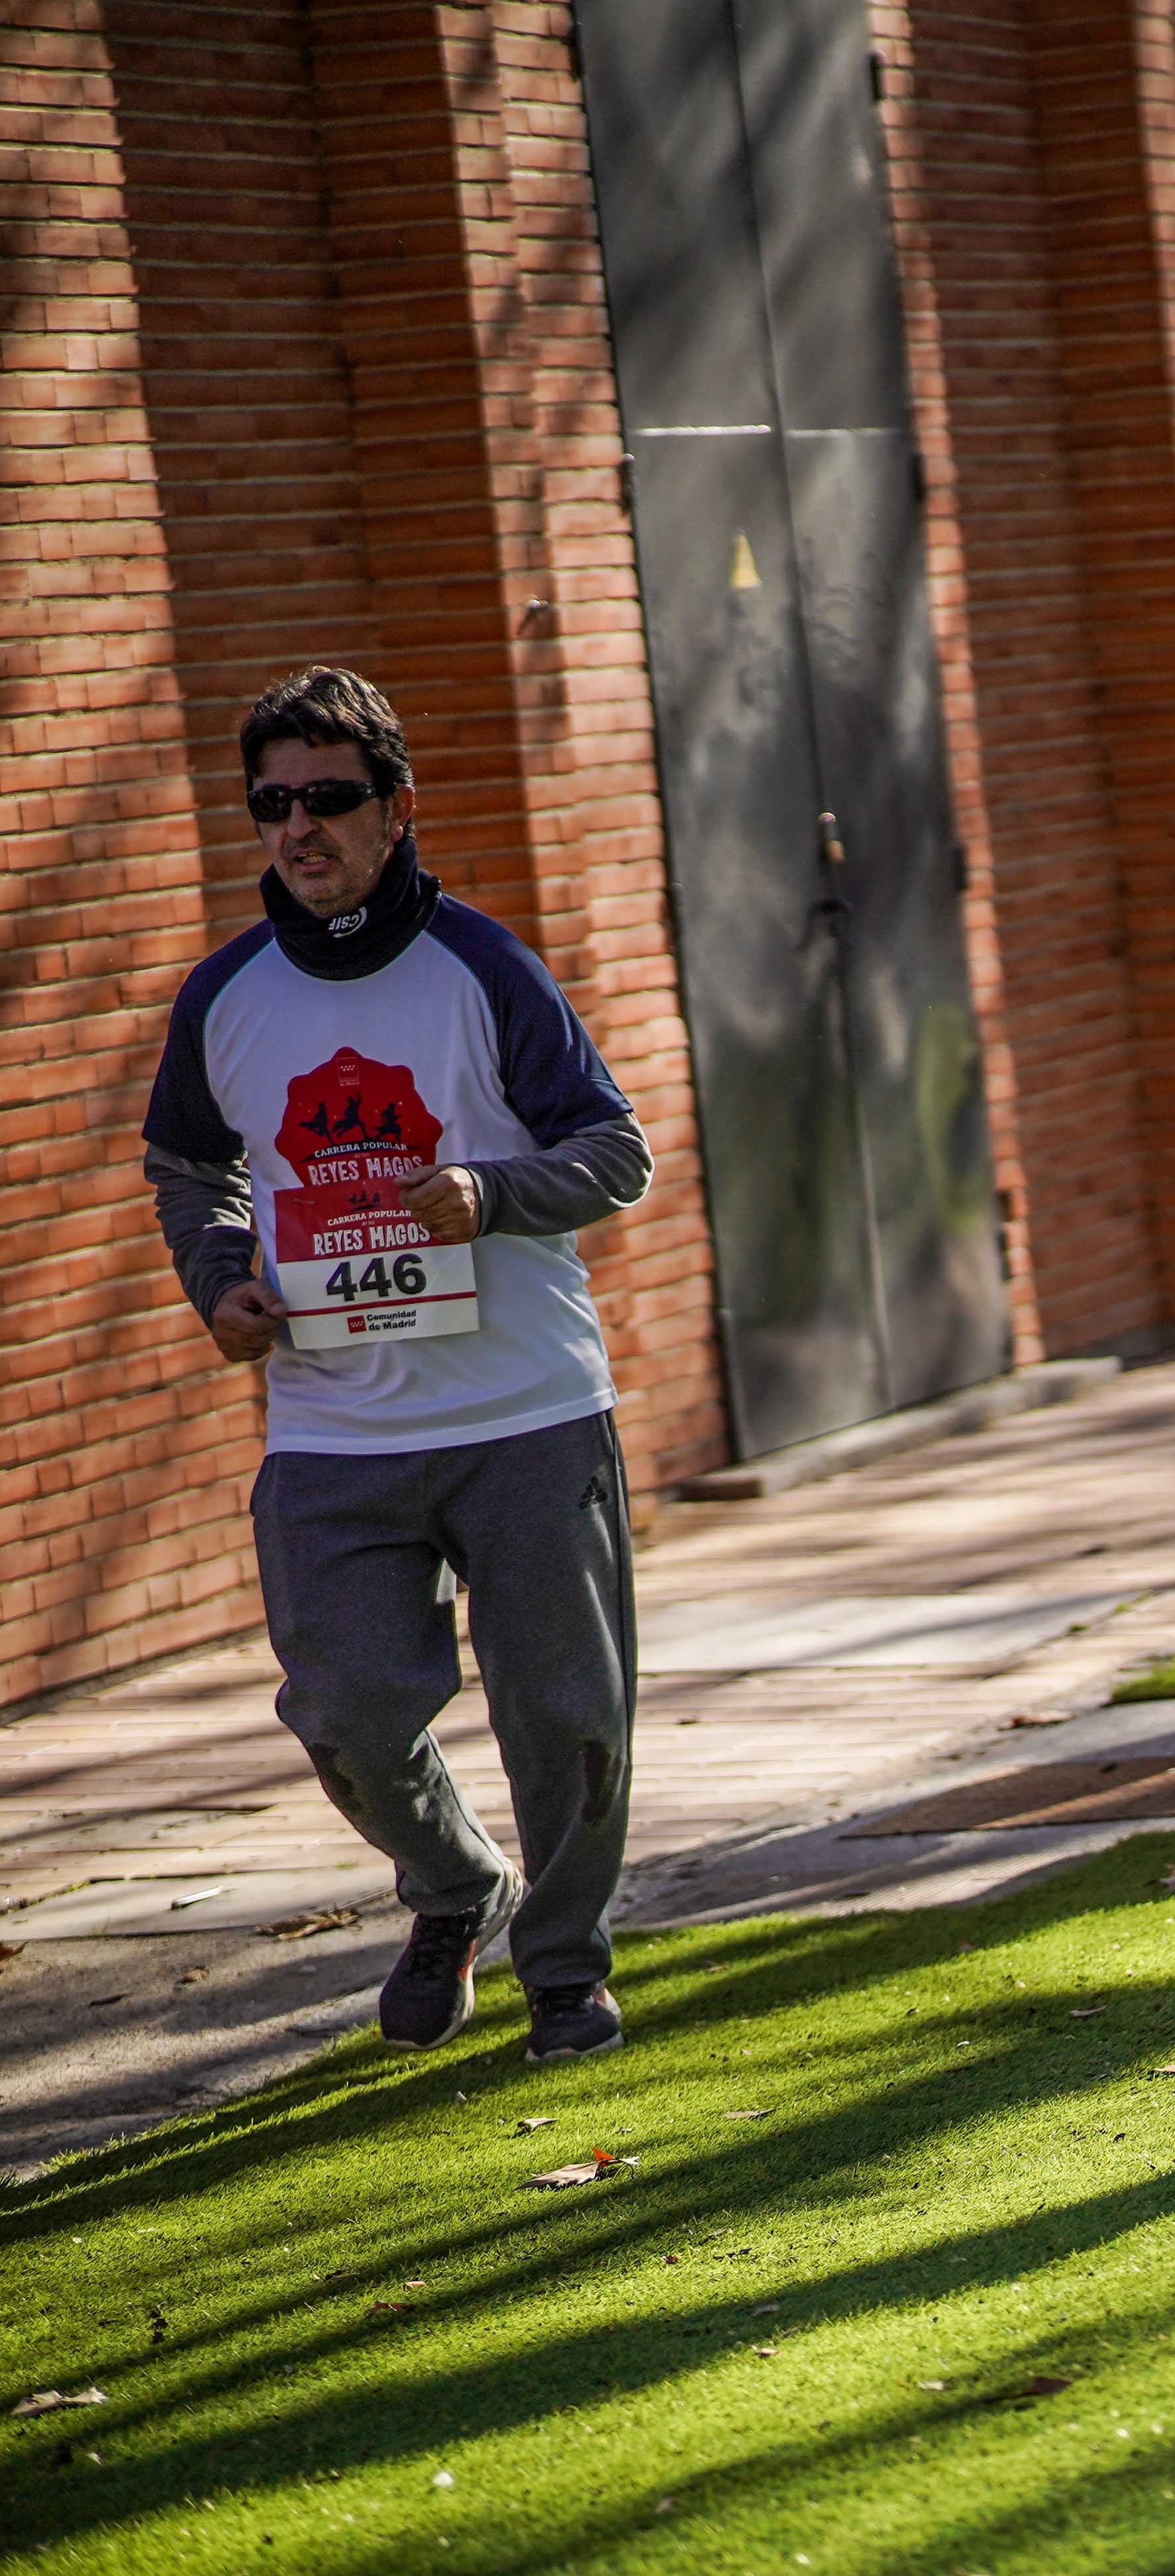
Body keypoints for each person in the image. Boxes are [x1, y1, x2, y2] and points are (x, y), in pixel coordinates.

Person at [140, 666, 654, 2061]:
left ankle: (563, 1968)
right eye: (273, 803)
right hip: (330, 1422)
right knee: (347, 1704)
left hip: (527, 1406)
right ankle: (453, 1884)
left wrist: (491, 1194)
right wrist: (219, 1278)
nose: (299, 828)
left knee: (564, 1713)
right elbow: (193, 1164)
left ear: (397, 807)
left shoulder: (486, 967)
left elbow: (617, 1151)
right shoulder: (225, 995)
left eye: (330, 798)